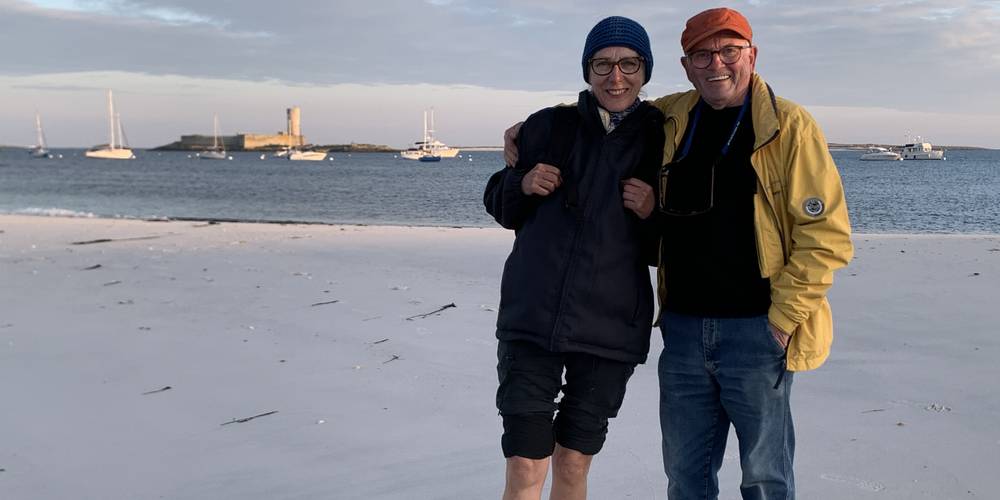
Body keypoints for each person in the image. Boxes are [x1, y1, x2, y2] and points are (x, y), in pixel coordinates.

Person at [503, 8, 853, 500]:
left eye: (730, 51)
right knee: (686, 480)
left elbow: (827, 236)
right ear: (685, 65)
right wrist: (527, 131)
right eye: (702, 54)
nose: (717, 64)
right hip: (684, 332)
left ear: (752, 56)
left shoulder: (789, 126)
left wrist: (783, 320)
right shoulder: (671, 116)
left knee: (765, 478)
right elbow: (606, 108)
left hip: (757, 331)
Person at [483, 16, 664, 500]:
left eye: (629, 63)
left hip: (610, 326)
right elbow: (500, 204)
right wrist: (520, 183)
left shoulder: (662, 136)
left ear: (645, 71)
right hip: (532, 318)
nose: (616, 76)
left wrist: (652, 213)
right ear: (587, 71)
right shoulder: (548, 124)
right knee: (525, 464)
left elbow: (672, 243)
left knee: (574, 461)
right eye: (602, 64)